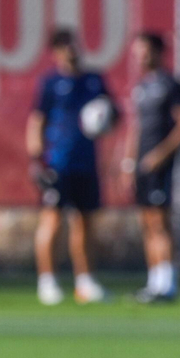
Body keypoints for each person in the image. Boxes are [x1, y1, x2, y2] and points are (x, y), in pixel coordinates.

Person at [27, 28, 114, 306]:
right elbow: (37, 121)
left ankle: (85, 281)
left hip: (85, 164)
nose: (72, 51)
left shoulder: (93, 81)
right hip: (57, 164)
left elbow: (112, 115)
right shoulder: (51, 83)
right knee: (52, 220)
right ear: (56, 52)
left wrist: (105, 118)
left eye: (74, 45)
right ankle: (47, 281)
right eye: (65, 47)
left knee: (85, 222)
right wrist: (36, 160)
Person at [122, 31, 180, 303]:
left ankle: (167, 283)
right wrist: (128, 163)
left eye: (146, 50)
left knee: (160, 222)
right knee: (147, 222)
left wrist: (160, 155)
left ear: (159, 52)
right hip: (141, 166)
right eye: (138, 51)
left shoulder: (170, 85)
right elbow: (136, 129)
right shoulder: (141, 87)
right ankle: (153, 281)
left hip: (160, 165)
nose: (141, 56)